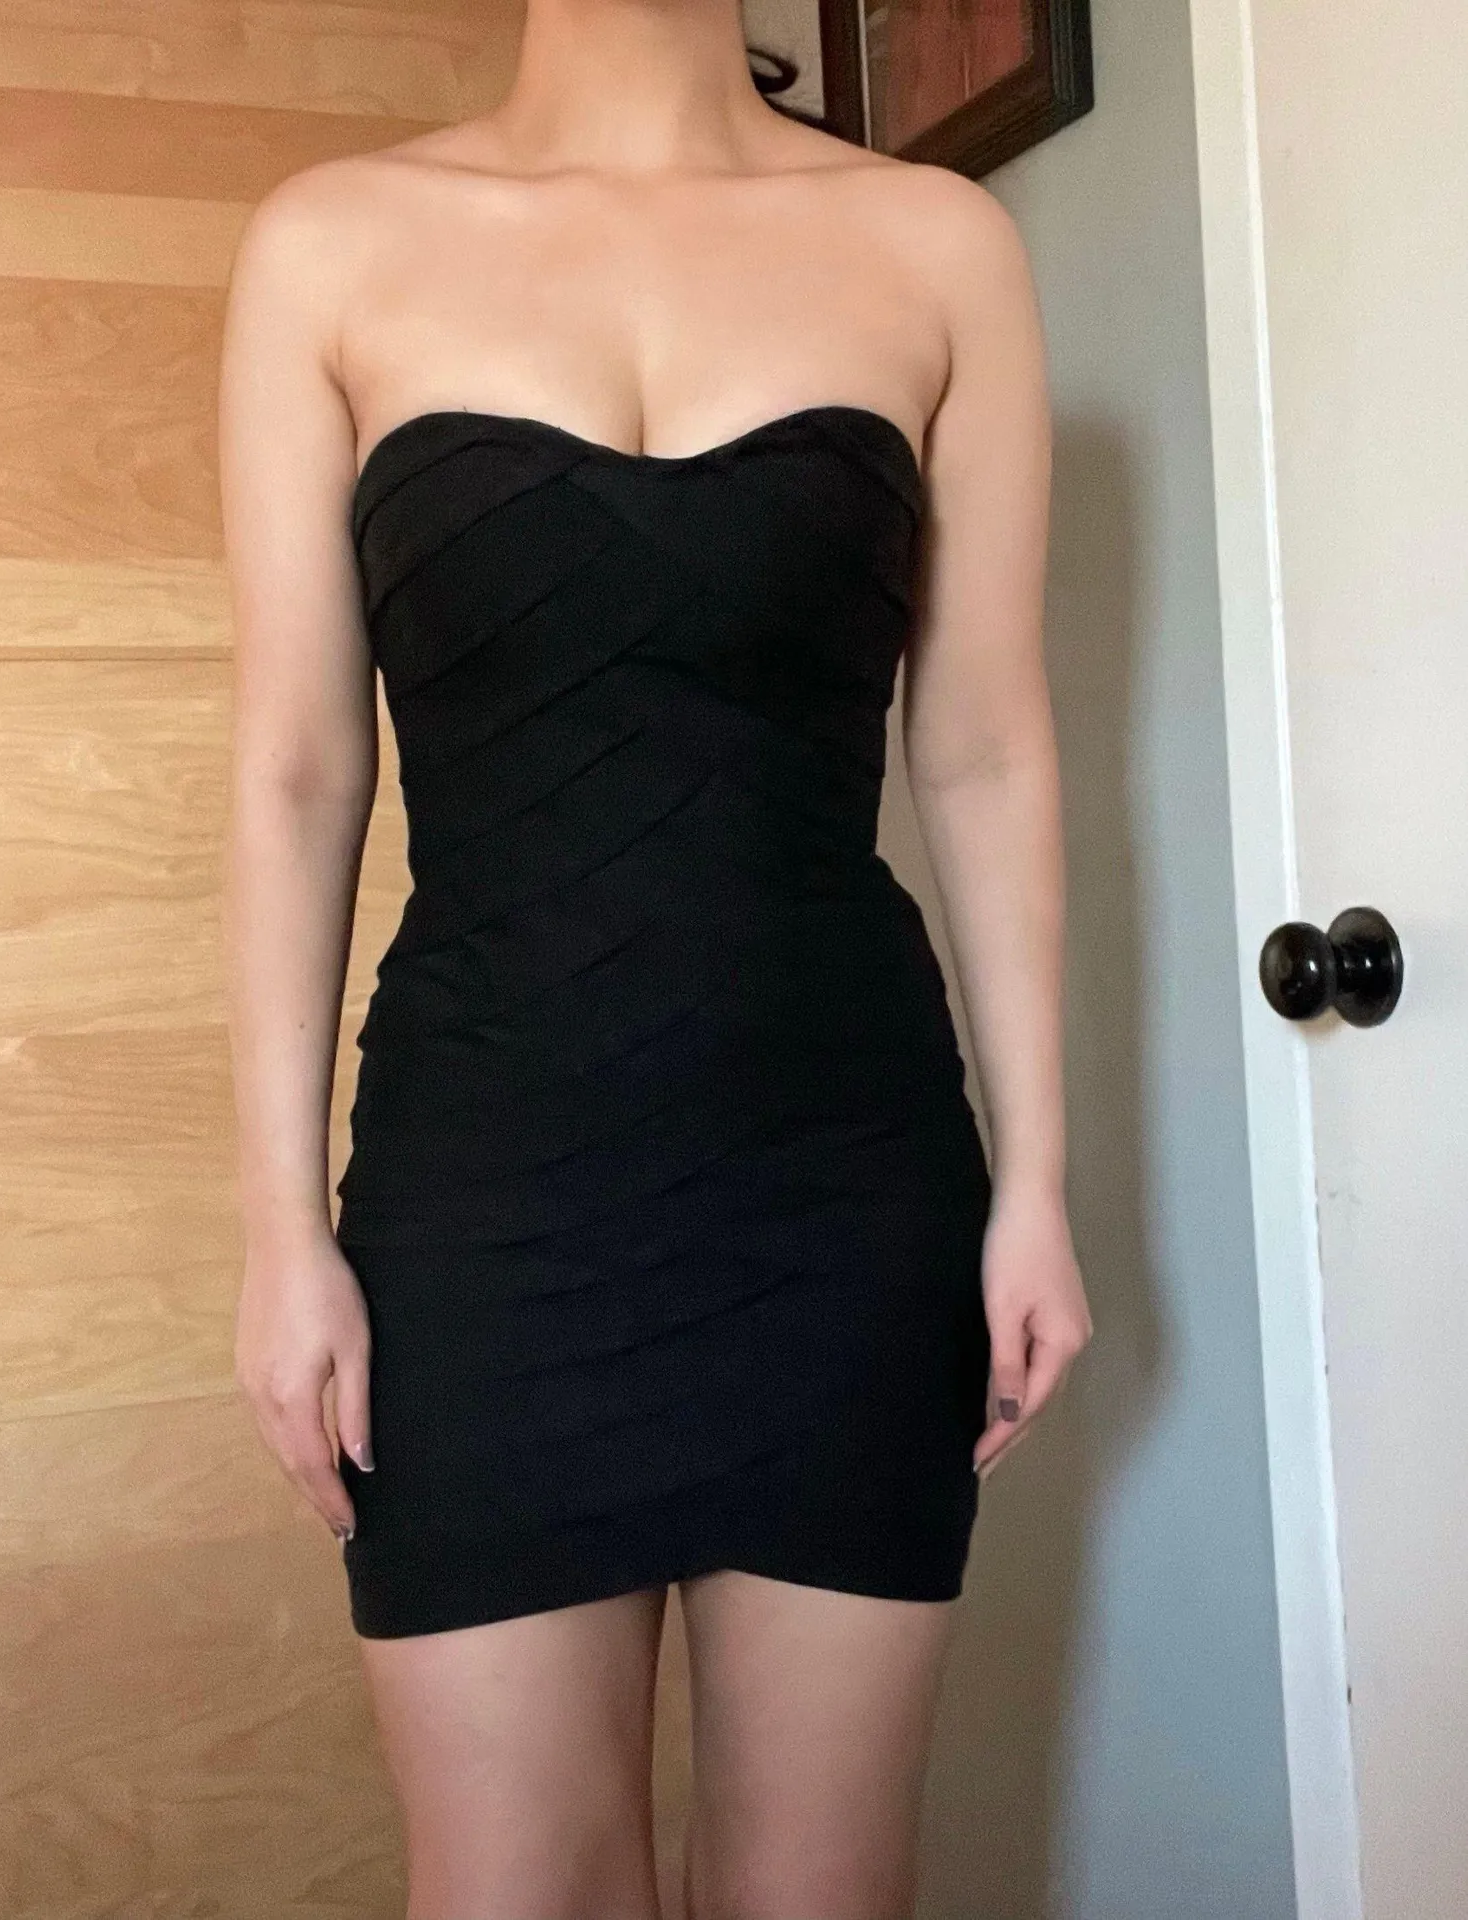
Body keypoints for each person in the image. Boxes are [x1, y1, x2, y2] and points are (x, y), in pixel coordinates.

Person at [219, 2, 1091, 1914]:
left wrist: (1035, 1182)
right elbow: (297, 772)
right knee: (514, 1890)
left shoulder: (939, 245)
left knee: (819, 1894)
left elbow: (982, 747)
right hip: (481, 1207)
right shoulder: (329, 243)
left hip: (841, 1189)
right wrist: (280, 1230)